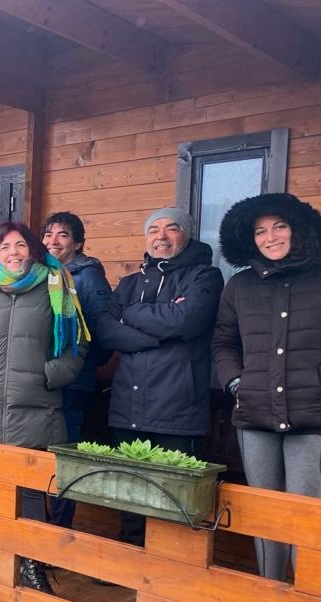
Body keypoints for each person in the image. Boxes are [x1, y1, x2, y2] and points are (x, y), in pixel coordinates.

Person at [213, 192, 321, 602]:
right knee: (265, 513)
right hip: (254, 415)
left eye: (278, 227)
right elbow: (223, 342)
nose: (269, 237)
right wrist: (236, 382)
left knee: (304, 517)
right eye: (259, 231)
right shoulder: (239, 286)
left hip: (315, 417)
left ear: (298, 229)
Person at [0, 222, 88, 589]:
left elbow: (76, 346)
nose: (14, 253)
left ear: (33, 249)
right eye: (5, 246)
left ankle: (30, 565)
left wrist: (52, 374)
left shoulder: (56, 285)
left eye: (21, 245)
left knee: (29, 492)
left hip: (36, 405)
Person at [94, 208, 223, 547]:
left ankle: (169, 573)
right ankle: (131, 558)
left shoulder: (205, 277)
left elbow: (186, 321)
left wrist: (133, 315)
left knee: (175, 496)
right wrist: (157, 334)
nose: (161, 236)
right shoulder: (130, 283)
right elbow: (106, 330)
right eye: (154, 229)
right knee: (129, 489)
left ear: (187, 234)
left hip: (178, 407)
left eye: (172, 228)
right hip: (127, 404)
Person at [41, 212, 112, 528]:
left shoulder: (88, 277)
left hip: (73, 383)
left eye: (63, 235)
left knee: (64, 455)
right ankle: (40, 524)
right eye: (48, 234)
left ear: (79, 242)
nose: (53, 240)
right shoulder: (42, 273)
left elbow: (101, 332)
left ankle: (60, 527)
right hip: (43, 380)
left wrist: (79, 366)